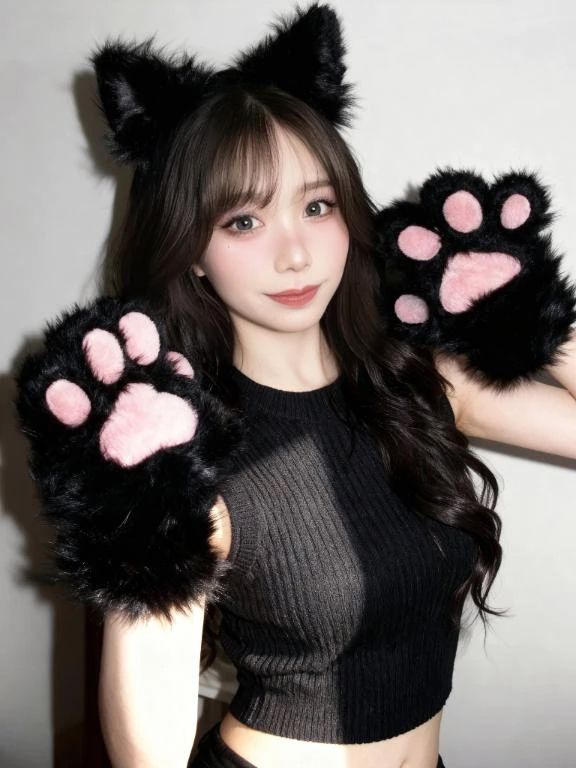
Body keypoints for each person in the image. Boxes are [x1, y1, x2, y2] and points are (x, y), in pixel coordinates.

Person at [14, 5, 576, 768]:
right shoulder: (184, 453)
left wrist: (533, 320)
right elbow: (149, 754)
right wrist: (140, 531)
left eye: (316, 206)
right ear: (191, 250)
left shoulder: (418, 384)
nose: (296, 255)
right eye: (243, 222)